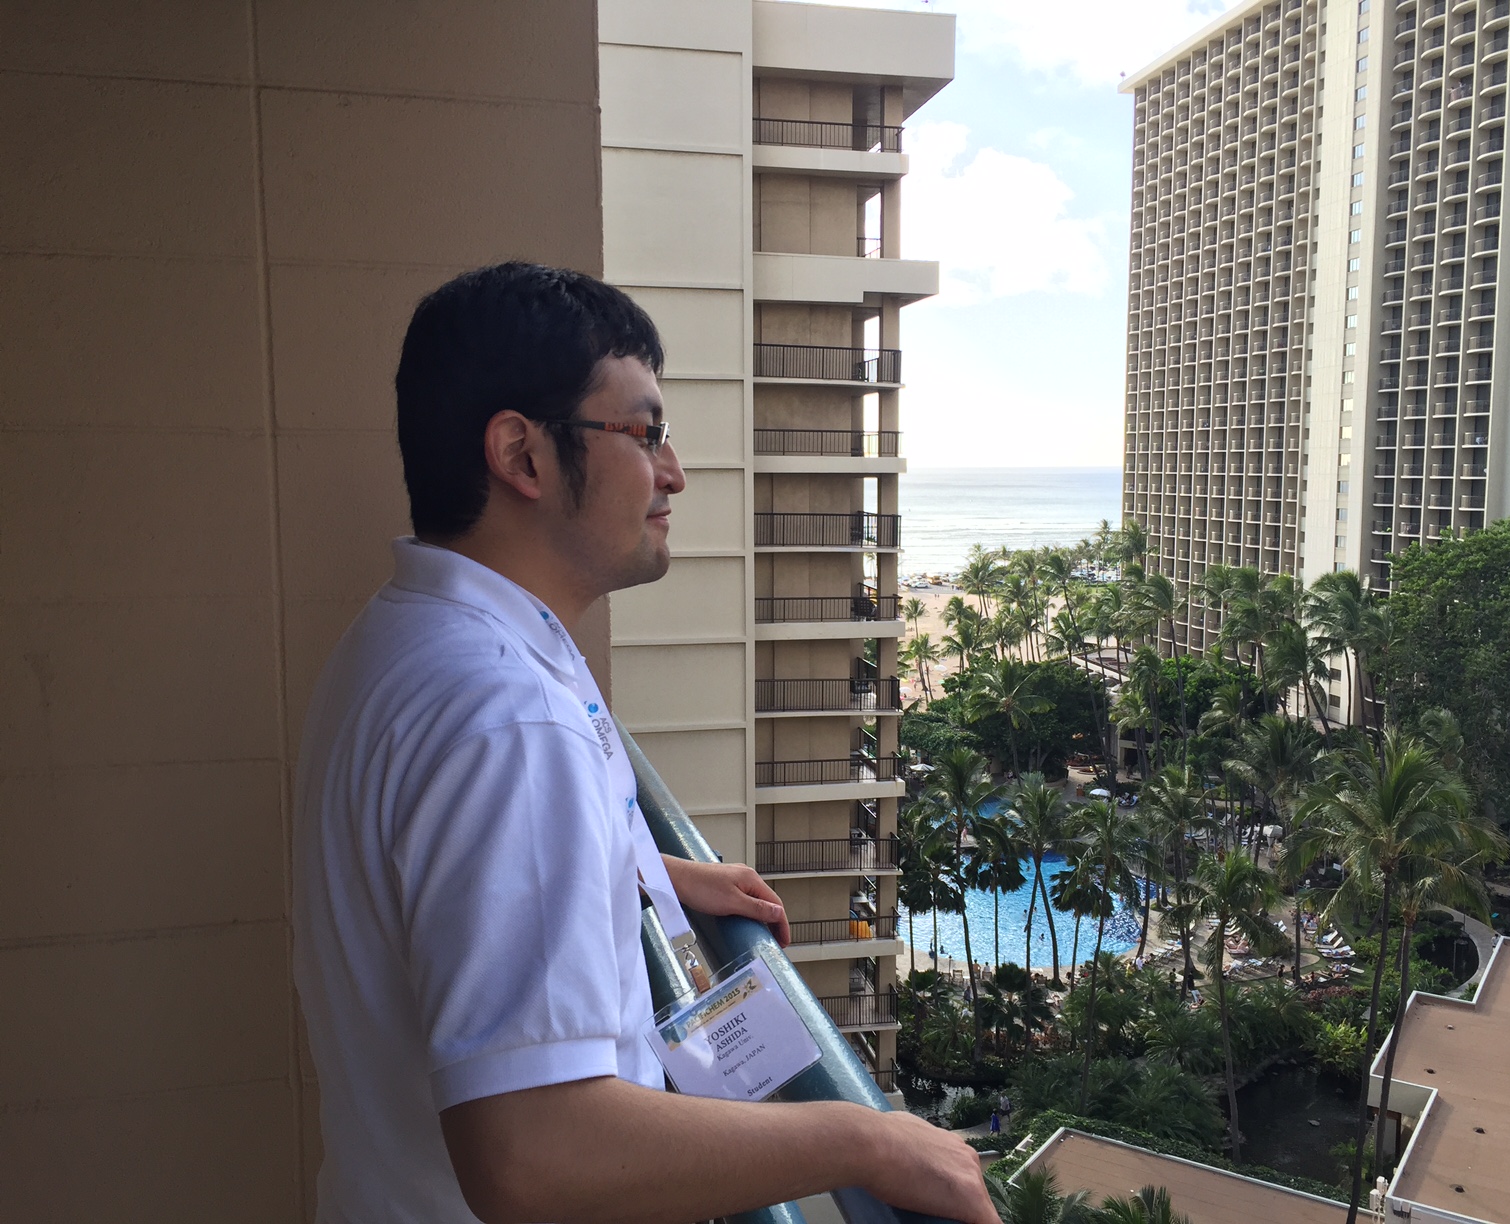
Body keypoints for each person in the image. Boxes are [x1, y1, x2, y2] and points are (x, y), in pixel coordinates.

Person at [292, 264, 995, 1224]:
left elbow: (448, 871)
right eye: (645, 433)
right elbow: (536, 1155)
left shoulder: (413, 637)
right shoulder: (507, 717)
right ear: (523, 455)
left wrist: (643, 865)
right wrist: (867, 1138)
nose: (673, 472)